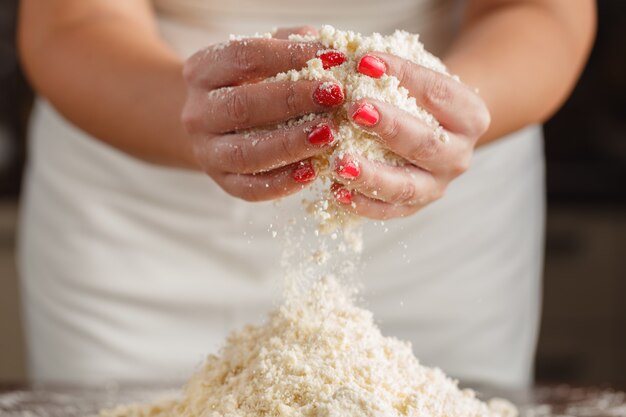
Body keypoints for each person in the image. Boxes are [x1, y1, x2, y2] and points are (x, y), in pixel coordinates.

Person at [17, 0, 595, 387]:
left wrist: (437, 115)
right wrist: (193, 116)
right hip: (136, 222)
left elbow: (543, 11)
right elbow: (69, 23)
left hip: (435, 222)